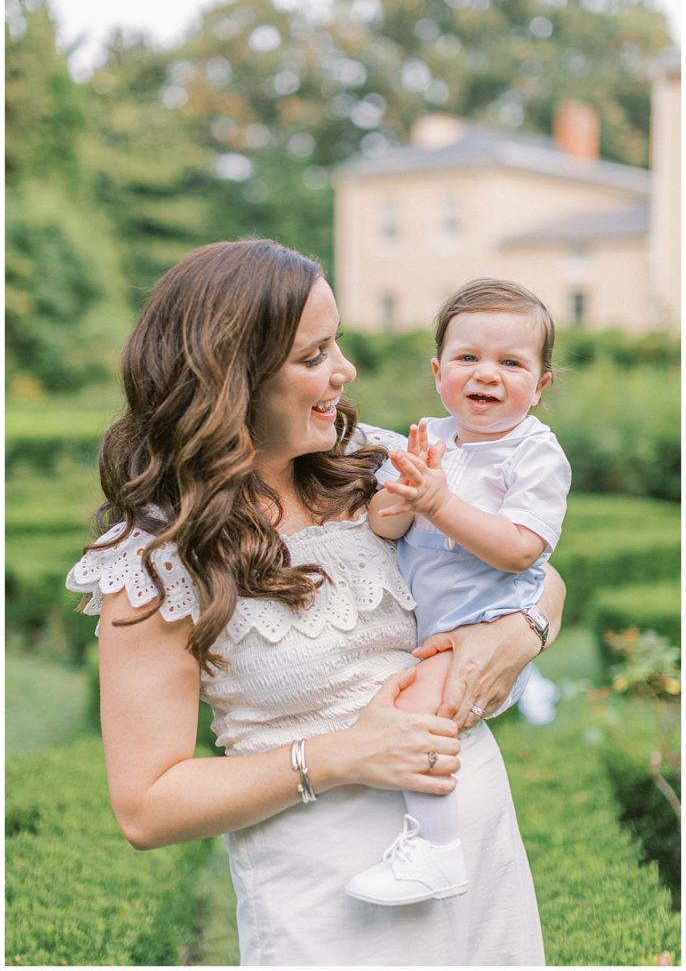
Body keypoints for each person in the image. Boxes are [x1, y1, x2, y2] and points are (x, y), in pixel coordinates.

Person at [66, 239, 565, 966]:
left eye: (337, 343)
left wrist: (522, 632)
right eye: (313, 355)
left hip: (482, 864)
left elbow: (531, 563)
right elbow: (146, 805)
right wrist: (340, 756)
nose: (345, 371)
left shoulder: (376, 461)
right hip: (330, 906)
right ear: (229, 380)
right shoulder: (156, 555)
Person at [345, 278, 571, 907]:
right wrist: (401, 495)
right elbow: (385, 526)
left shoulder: (535, 454)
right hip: (433, 620)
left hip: (487, 619)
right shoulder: (427, 439)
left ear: (541, 384)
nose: (487, 375)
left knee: (420, 715)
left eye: (511, 362)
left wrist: (439, 502)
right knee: (417, 707)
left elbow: (523, 549)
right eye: (469, 358)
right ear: (439, 369)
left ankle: (435, 850)